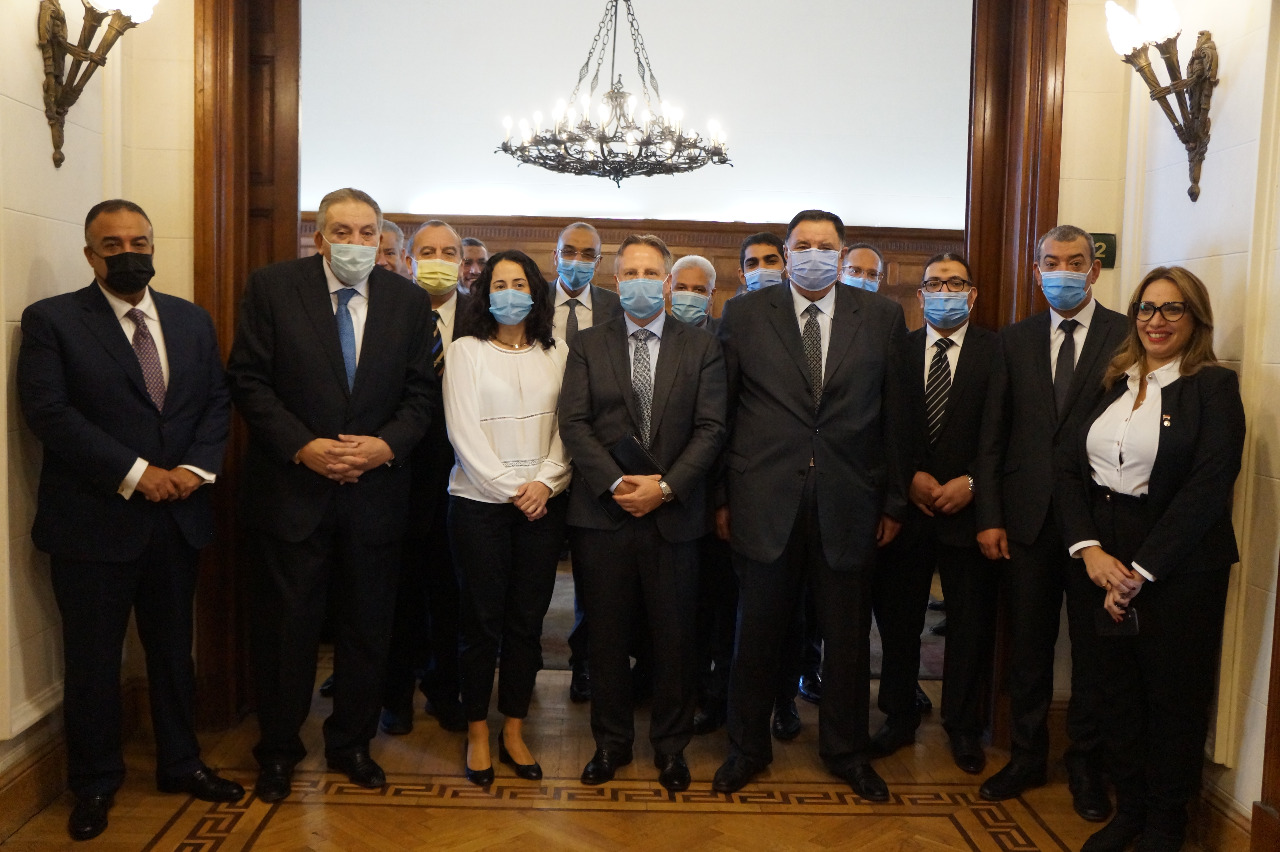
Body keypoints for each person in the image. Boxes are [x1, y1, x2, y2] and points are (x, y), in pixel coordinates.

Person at [17, 199, 243, 842]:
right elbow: (50, 413)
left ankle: (181, 763)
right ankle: (93, 782)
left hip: (178, 518)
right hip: (92, 524)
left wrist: (194, 470)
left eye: (138, 242)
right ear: (90, 255)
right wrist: (138, 473)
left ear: (153, 246)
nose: (127, 254)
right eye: (112, 245)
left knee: (173, 653)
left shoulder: (190, 319)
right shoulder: (53, 320)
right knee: (93, 662)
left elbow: (215, 401)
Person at [227, 187, 436, 803]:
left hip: (375, 495)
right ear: (319, 238)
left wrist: (384, 446)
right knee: (285, 633)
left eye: (367, 232)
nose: (355, 243)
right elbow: (248, 380)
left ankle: (352, 745)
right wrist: (304, 446)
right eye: (341, 232)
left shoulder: (407, 300)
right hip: (293, 493)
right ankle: (278, 751)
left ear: (381, 238)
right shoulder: (273, 288)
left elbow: (421, 394)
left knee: (367, 630)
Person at [713, 209, 910, 800]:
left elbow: (896, 417)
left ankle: (846, 751)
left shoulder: (881, 316)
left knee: (847, 639)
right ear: (787, 251)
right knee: (756, 633)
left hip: (850, 502)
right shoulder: (745, 313)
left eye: (826, 245)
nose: (814, 254)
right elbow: (723, 412)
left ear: (842, 253)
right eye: (803, 245)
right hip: (763, 499)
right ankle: (747, 749)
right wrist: (721, 498)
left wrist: (894, 501)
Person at [1056, 267, 1244, 852]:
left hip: (1177, 566)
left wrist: (1140, 572)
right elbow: (1068, 469)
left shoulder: (1212, 387)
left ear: (1196, 318)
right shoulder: (1114, 379)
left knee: (1172, 700)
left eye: (1172, 309)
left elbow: (1209, 487)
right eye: (1146, 308)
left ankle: (1166, 825)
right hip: (1102, 557)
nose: (1155, 321)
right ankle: (1130, 812)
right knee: (1117, 695)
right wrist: (1089, 550)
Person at [559, 235, 727, 792]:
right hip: (603, 517)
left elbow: (711, 429)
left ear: (667, 283)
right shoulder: (588, 344)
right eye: (629, 272)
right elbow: (574, 423)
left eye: (650, 272)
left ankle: (671, 749)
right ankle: (610, 744)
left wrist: (668, 487)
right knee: (606, 638)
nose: (639, 281)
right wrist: (616, 483)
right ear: (615, 281)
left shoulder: (701, 347)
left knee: (675, 640)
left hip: (675, 519)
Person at [974, 224, 1128, 820]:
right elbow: (993, 435)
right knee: (1029, 649)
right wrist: (990, 516)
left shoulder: (1125, 334)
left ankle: (1084, 766)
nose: (1063, 271)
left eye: (1075, 261)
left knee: (1093, 653)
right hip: (1026, 521)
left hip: (1098, 523)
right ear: (1036, 270)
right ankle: (1027, 756)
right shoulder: (1013, 340)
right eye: (1051, 262)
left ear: (1094, 269)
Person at [445, 250, 573, 785]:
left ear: (536, 291)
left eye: (519, 283)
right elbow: (462, 431)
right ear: (484, 293)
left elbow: (569, 426)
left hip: (543, 504)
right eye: (499, 284)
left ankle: (514, 728)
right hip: (478, 506)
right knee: (480, 623)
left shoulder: (558, 351)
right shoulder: (465, 351)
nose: (510, 293)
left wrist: (545, 482)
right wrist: (511, 489)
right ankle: (477, 729)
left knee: (526, 622)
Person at [868, 253, 998, 776]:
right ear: (920, 296)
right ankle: (898, 716)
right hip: (908, 511)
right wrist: (907, 480)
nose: (945, 292)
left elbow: (1007, 431)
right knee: (900, 622)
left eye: (955, 283)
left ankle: (963, 725)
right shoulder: (894, 350)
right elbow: (880, 427)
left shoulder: (998, 352)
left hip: (971, 512)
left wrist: (973, 483)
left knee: (969, 624)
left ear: (972, 294)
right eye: (935, 284)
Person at [379, 219, 472, 735]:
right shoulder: (388, 311)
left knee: (452, 593)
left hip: (465, 478)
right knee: (397, 593)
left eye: (449, 252)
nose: (439, 260)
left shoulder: (483, 316)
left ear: (462, 261)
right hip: (396, 475)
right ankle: (395, 695)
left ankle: (444, 689)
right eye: (428, 251)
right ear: (410, 260)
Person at [550, 220, 624, 703]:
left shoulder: (618, 305)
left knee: (594, 578)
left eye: (587, 254)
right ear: (555, 254)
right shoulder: (530, 302)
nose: (576, 261)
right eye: (569, 251)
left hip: (601, 458)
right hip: (539, 454)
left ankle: (585, 663)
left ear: (599, 262)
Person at [666, 253, 719, 331]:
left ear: (712, 295)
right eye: (682, 288)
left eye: (698, 290)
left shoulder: (726, 335)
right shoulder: (657, 332)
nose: (689, 299)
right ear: (670, 292)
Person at [735, 231, 786, 295]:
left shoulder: (797, 301)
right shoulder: (734, 302)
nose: (761, 268)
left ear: (787, 269)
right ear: (742, 276)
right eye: (752, 264)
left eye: (771, 261)